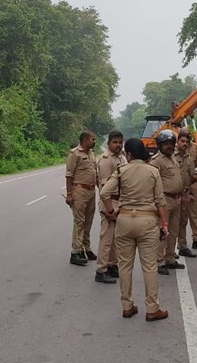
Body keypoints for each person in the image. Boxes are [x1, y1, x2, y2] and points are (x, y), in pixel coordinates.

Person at [100, 138, 169, 322]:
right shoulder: (153, 171)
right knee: (150, 267)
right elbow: (161, 201)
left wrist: (111, 211)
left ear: (128, 154)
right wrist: (164, 225)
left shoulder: (121, 171)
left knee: (124, 266)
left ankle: (127, 306)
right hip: (147, 221)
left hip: (124, 221)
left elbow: (104, 192)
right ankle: (152, 308)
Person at [149, 129, 185, 274]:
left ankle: (170, 258)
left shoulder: (173, 158)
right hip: (164, 201)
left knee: (173, 231)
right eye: (166, 144)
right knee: (162, 232)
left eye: (171, 143)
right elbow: (150, 183)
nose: (169, 146)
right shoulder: (156, 161)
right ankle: (159, 261)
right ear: (160, 145)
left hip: (176, 200)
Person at [94, 130, 126, 284]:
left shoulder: (121, 157)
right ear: (108, 143)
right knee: (106, 238)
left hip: (118, 201)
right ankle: (101, 270)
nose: (118, 145)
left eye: (120, 142)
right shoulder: (106, 160)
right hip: (109, 202)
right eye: (115, 142)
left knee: (115, 238)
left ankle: (113, 265)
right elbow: (104, 188)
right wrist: (109, 209)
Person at [65, 131, 98, 266]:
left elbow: (95, 173)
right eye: (92, 139)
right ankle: (76, 251)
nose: (94, 141)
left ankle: (86, 247)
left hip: (91, 191)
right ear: (85, 140)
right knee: (79, 221)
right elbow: (69, 175)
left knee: (88, 221)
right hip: (79, 190)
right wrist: (69, 194)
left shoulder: (92, 153)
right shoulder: (74, 154)